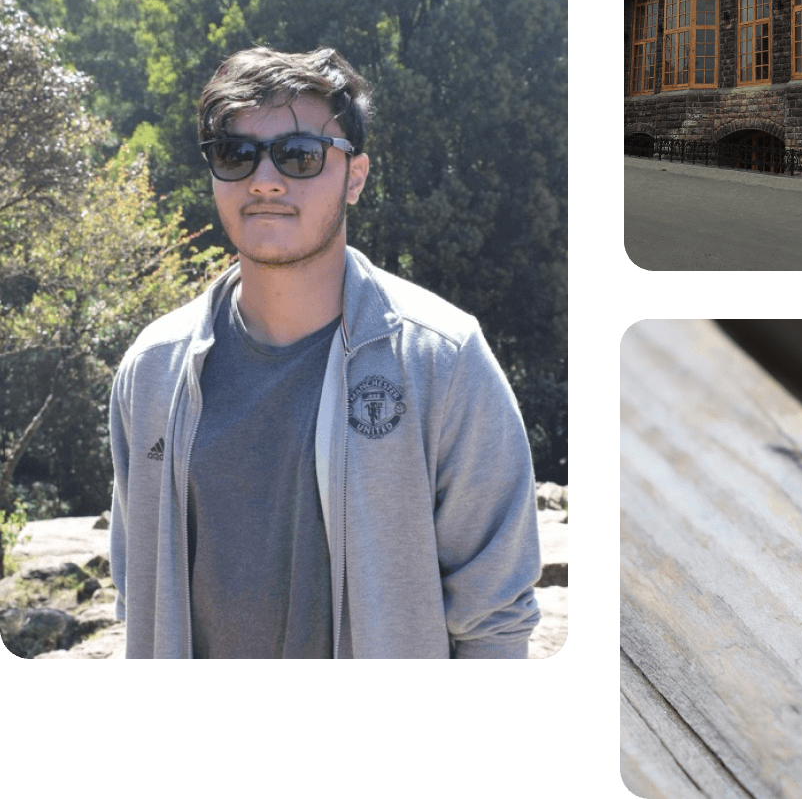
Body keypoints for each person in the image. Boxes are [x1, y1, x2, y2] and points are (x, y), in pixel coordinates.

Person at [108, 46, 542, 659]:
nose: (264, 179)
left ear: (355, 176)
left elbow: (495, 623)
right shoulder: (151, 370)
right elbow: (138, 594)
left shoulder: (441, 360)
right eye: (235, 153)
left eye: (299, 155)